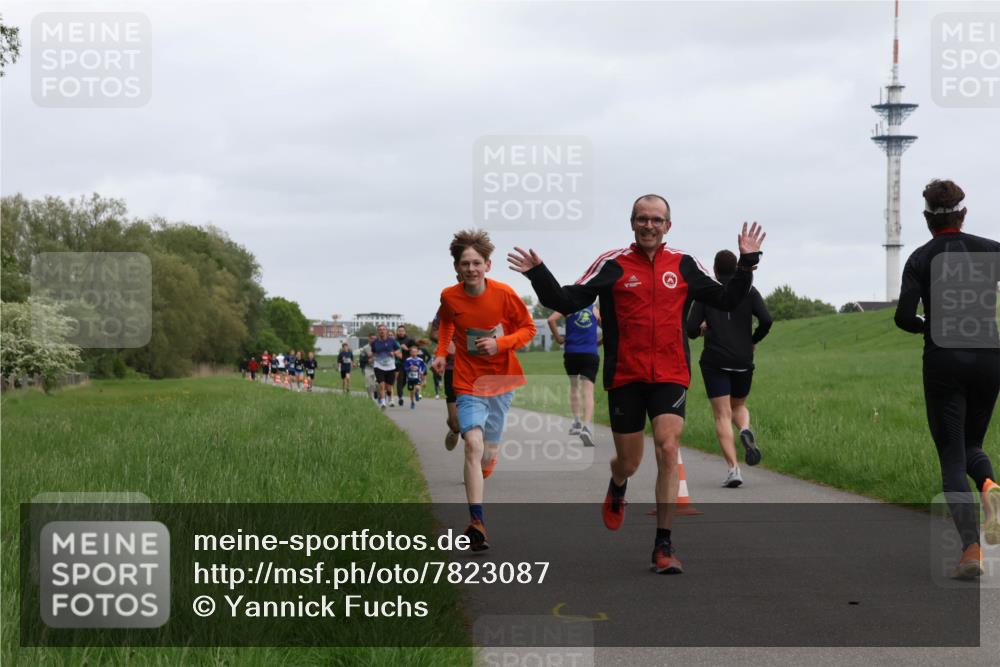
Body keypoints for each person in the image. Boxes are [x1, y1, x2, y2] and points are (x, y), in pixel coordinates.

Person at [509, 194, 765, 573]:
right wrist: (538, 273)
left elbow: (728, 298)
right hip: (625, 375)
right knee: (630, 461)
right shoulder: (612, 264)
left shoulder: (684, 264)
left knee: (666, 447)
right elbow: (565, 298)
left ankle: (663, 544)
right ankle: (618, 481)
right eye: (643, 219)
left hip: (671, 373)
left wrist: (747, 262)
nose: (649, 225)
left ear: (668, 226)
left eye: (657, 220)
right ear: (632, 223)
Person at [894, 179, 1000, 579]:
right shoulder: (991, 249)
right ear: (963, 213)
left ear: (926, 219)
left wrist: (928, 325)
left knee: (952, 454)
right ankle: (989, 485)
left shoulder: (921, 258)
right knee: (973, 443)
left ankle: (971, 549)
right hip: (990, 357)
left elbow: (904, 316)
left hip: (944, 360)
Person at [432, 229, 536, 551]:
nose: (471, 268)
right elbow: (449, 322)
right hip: (467, 381)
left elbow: (528, 328)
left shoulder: (504, 294)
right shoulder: (449, 296)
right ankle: (476, 521)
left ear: (488, 265)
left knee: (487, 453)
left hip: (501, 379)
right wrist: (440, 352)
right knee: (472, 445)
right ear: (457, 268)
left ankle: (488, 465)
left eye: (477, 263)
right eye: (465, 263)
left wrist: (500, 343)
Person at [687, 249, 773, 488]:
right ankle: (745, 429)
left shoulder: (706, 293)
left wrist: (702, 329)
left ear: (714, 270)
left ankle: (734, 469)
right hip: (743, 360)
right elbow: (767, 319)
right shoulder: (749, 290)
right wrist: (754, 339)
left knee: (722, 415)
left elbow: (690, 328)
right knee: (739, 406)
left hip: (715, 360)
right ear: (736, 268)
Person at [547, 304, 601, 447]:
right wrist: (598, 343)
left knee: (574, 386)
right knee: (588, 391)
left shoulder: (568, 307)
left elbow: (551, 319)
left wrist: (558, 338)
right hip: (590, 354)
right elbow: (608, 329)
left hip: (571, 353)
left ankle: (576, 422)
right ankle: (587, 427)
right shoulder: (594, 309)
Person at [372, 324, 401, 409]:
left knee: (389, 387)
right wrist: (371, 357)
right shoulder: (375, 342)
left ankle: (389, 396)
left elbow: (399, 352)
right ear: (378, 331)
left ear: (386, 331)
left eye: (383, 329)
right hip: (379, 366)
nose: (382, 331)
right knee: (381, 385)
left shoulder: (392, 341)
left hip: (390, 366)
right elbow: (373, 352)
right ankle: (383, 402)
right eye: (380, 329)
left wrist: (394, 353)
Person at [394, 325, 417, 406]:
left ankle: (416, 393)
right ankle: (400, 397)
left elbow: (415, 350)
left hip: (409, 363)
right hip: (399, 364)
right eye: (399, 331)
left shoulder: (409, 340)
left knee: (408, 381)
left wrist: (407, 349)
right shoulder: (394, 340)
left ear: (405, 332)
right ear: (397, 331)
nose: (401, 332)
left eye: (402, 331)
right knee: (400, 380)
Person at [359, 332, 378, 401]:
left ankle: (376, 391)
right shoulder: (365, 348)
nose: (373, 340)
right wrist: (367, 360)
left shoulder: (379, 346)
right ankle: (370, 397)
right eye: (372, 339)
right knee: (368, 384)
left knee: (377, 383)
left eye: (375, 339)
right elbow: (361, 358)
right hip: (368, 368)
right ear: (369, 339)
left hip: (378, 367)